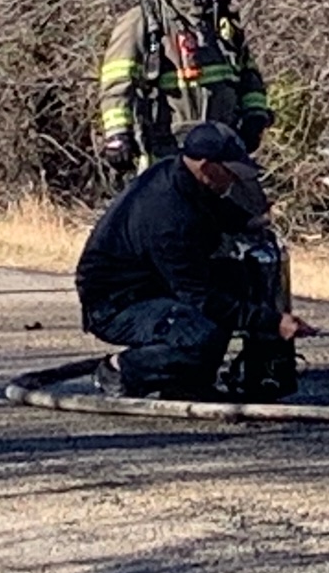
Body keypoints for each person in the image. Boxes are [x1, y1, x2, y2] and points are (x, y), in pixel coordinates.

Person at [75, 122, 306, 398]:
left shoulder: (179, 175)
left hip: (153, 284)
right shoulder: (168, 217)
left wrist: (250, 221)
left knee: (236, 284)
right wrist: (271, 322)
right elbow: (200, 296)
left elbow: (211, 210)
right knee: (200, 334)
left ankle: (189, 385)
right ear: (208, 167)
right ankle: (123, 370)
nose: (233, 181)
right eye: (230, 173)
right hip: (116, 304)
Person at [96, 0, 272, 178]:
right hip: (170, 154)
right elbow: (116, 82)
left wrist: (255, 115)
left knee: (251, 215)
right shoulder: (143, 19)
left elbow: (247, 71)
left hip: (224, 151)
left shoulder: (219, 18)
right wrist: (117, 135)